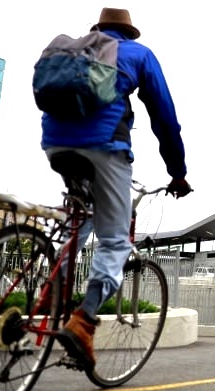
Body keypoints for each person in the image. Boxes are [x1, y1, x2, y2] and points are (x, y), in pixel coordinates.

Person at [41, 7, 192, 369]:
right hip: (106, 147)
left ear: (99, 28)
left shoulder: (75, 50)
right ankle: (83, 321)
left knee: (81, 217)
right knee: (114, 241)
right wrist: (178, 172)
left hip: (55, 144)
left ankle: (50, 288)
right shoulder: (139, 54)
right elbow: (165, 117)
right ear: (129, 32)